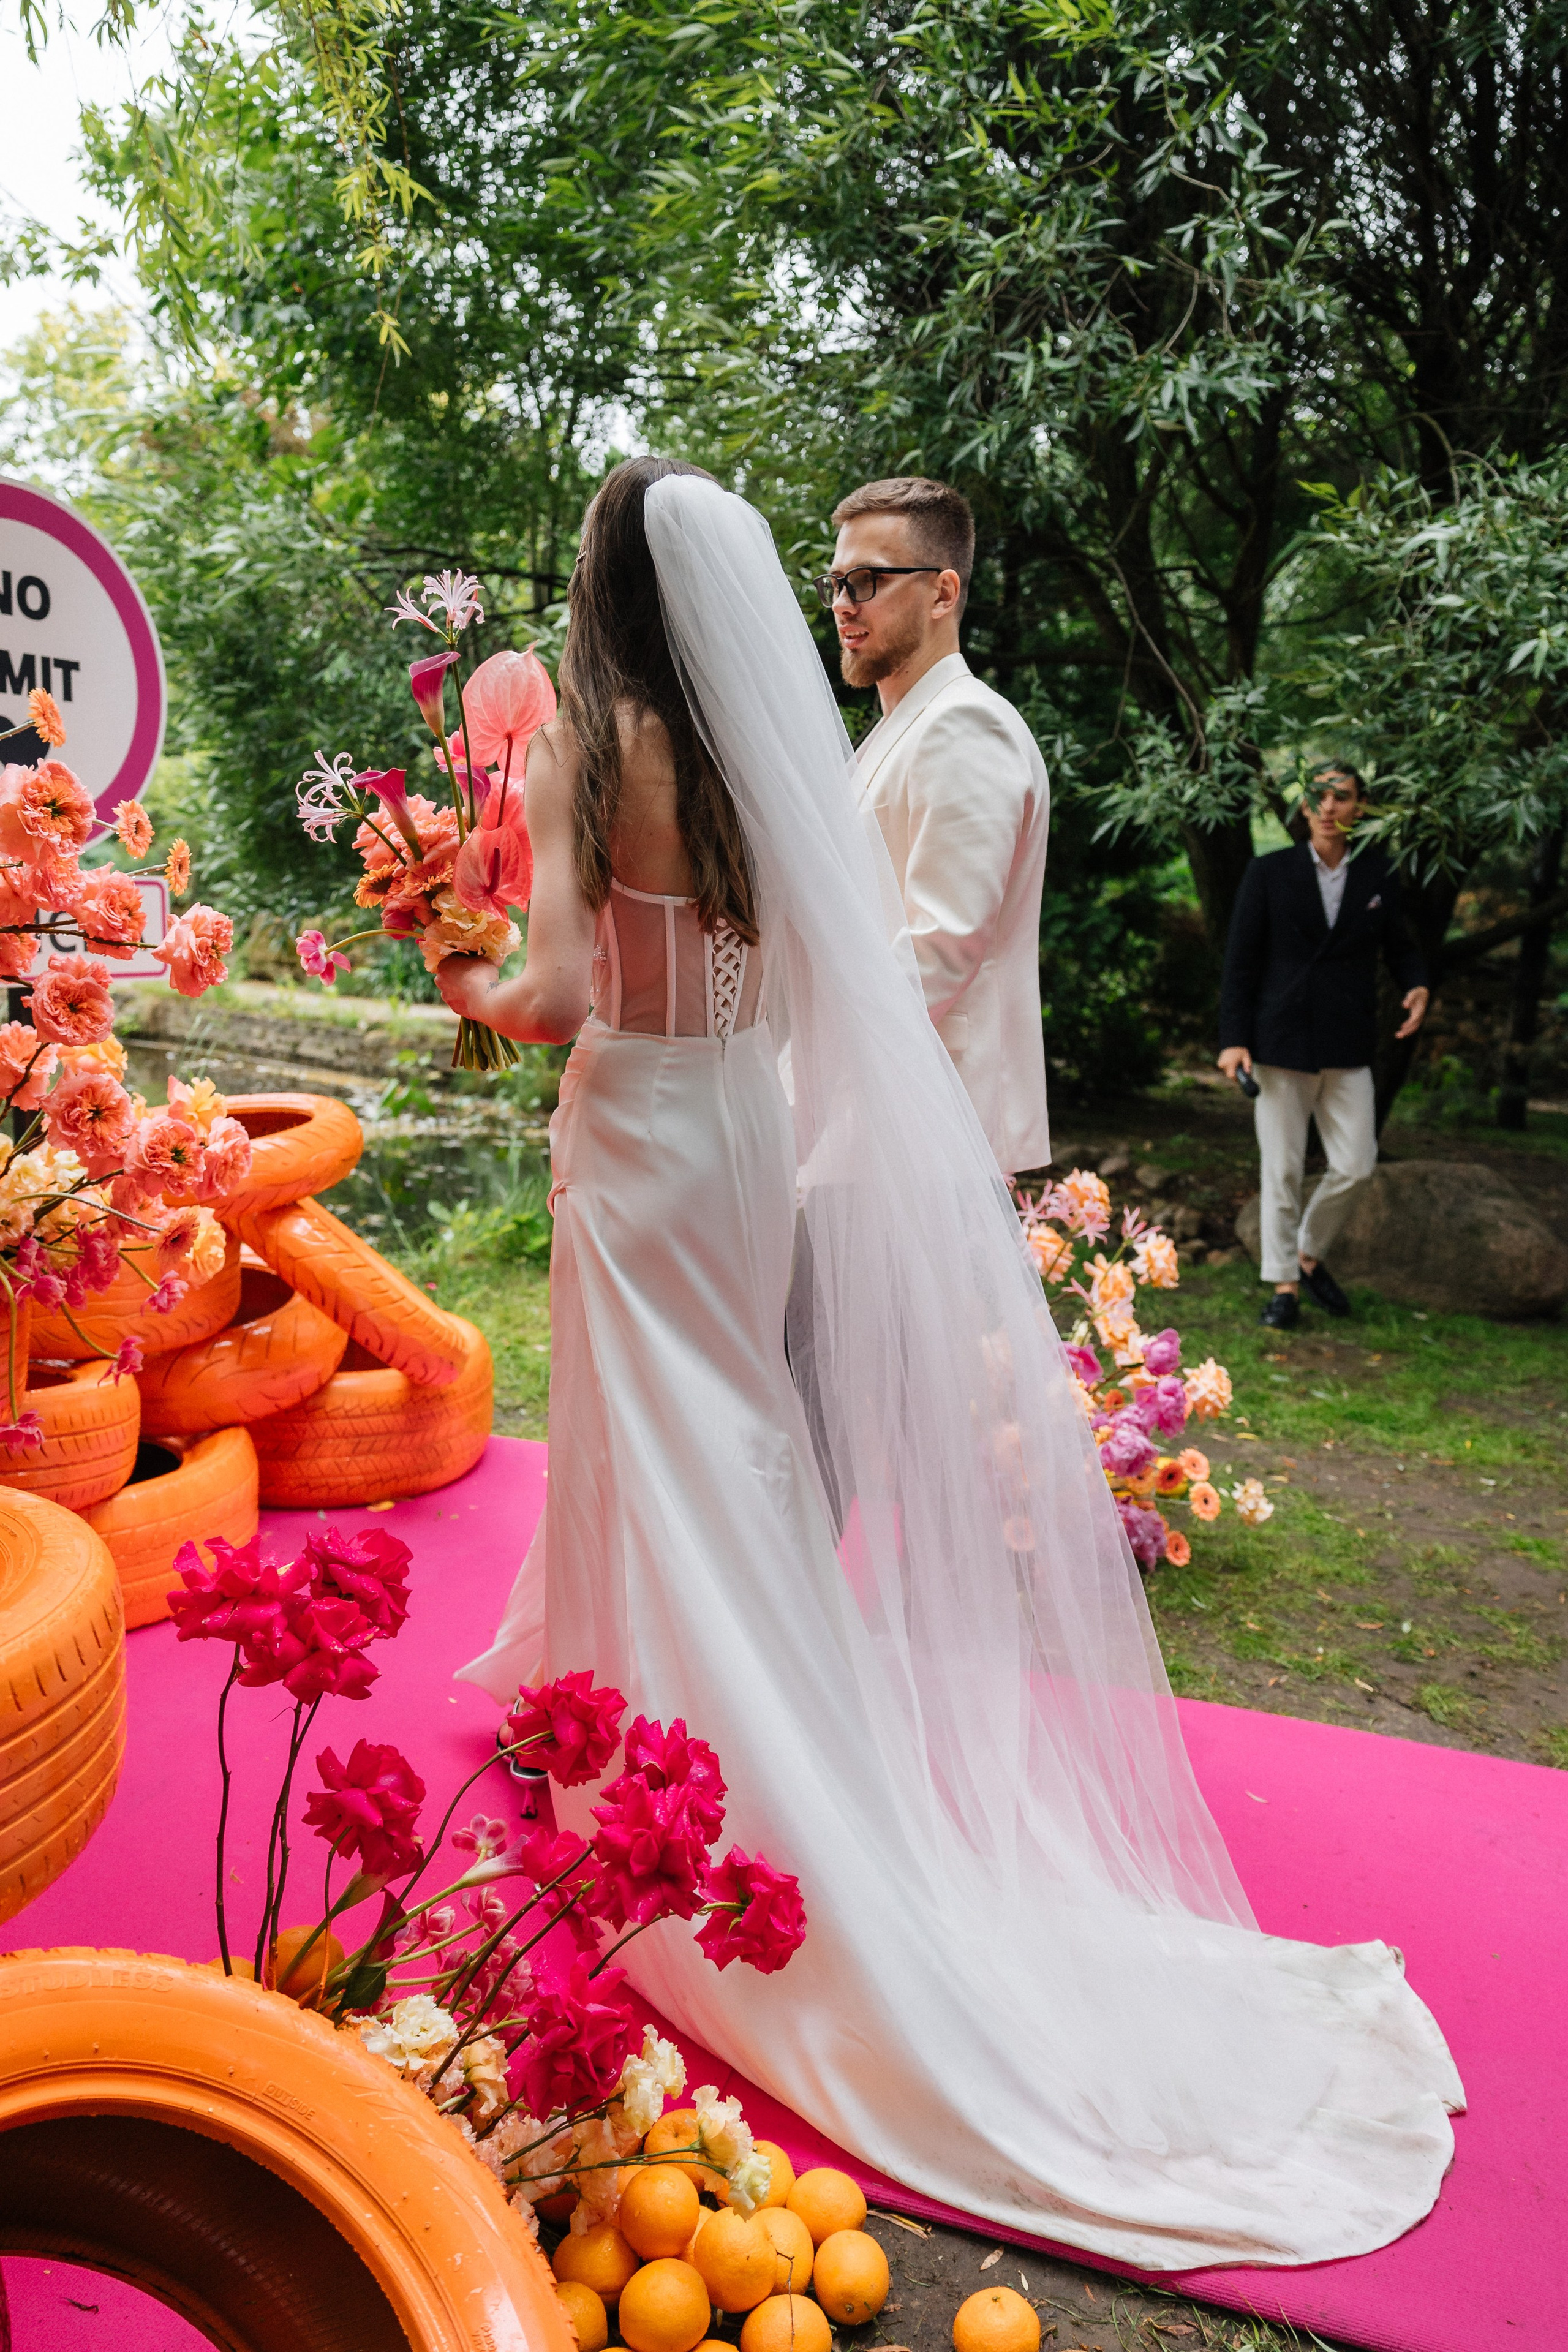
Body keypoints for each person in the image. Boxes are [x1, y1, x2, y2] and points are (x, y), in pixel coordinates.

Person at [439, 459, 1460, 2271]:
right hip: (747, 1135)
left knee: (662, 1453)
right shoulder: (766, 754)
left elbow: (555, 993)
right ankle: (689, 1736)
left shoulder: (585, 742)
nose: (831, 602)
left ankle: (681, 1767)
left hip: (643, 1136)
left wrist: (453, 951)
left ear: (597, 587)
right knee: (734, 1453)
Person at [823, 477, 1050, 1177]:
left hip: (928, 1125)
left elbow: (940, 951)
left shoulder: (964, 725)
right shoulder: (902, 728)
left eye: (867, 581)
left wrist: (807, 1056)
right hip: (878, 1114)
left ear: (943, 593)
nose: (841, 604)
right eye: (835, 581)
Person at [1218, 764, 1428, 1330]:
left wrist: (1417, 983)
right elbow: (1240, 963)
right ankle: (1283, 1285)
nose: (1331, 806)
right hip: (1279, 1037)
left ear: (1360, 807)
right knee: (1282, 1169)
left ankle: (1308, 1255)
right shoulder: (1269, 872)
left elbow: (1401, 946)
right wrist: (1233, 1040)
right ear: (1305, 807)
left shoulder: (1378, 874)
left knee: (1357, 1165)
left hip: (1347, 1038)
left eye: (1344, 796)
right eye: (1320, 797)